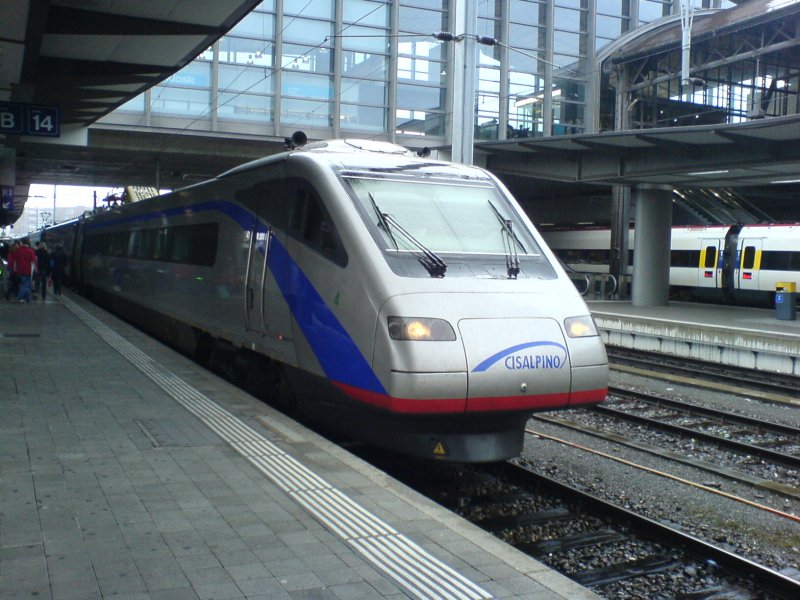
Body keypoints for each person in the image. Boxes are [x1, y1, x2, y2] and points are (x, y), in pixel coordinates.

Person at [11, 238, 38, 303]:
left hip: (19, 270)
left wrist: (15, 269)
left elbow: (15, 261)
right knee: (25, 285)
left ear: (22, 243)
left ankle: (28, 299)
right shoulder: (30, 251)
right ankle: (19, 297)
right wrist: (34, 271)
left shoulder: (18, 250)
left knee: (26, 285)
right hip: (27, 270)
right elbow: (34, 261)